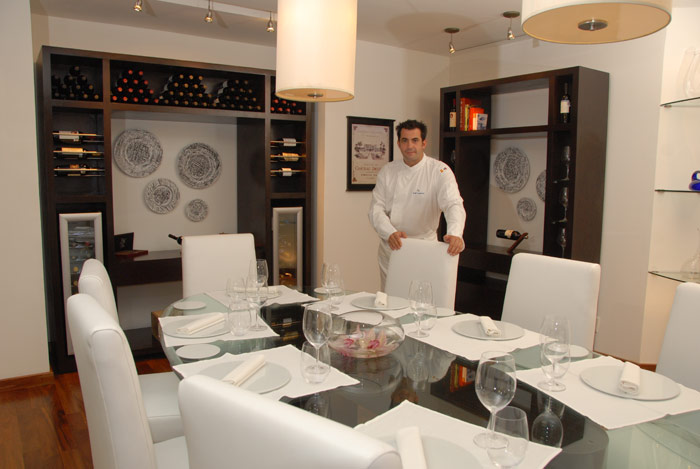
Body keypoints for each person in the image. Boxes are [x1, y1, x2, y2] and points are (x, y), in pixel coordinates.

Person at [369, 119, 466, 289]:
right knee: (390, 297)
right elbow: (376, 210)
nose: (409, 146)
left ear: (424, 143)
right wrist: (389, 233)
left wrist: (455, 233)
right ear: (398, 144)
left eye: (415, 140)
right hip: (393, 247)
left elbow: (453, 204)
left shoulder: (439, 171)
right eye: (405, 140)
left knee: (421, 298)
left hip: (424, 248)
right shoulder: (388, 171)